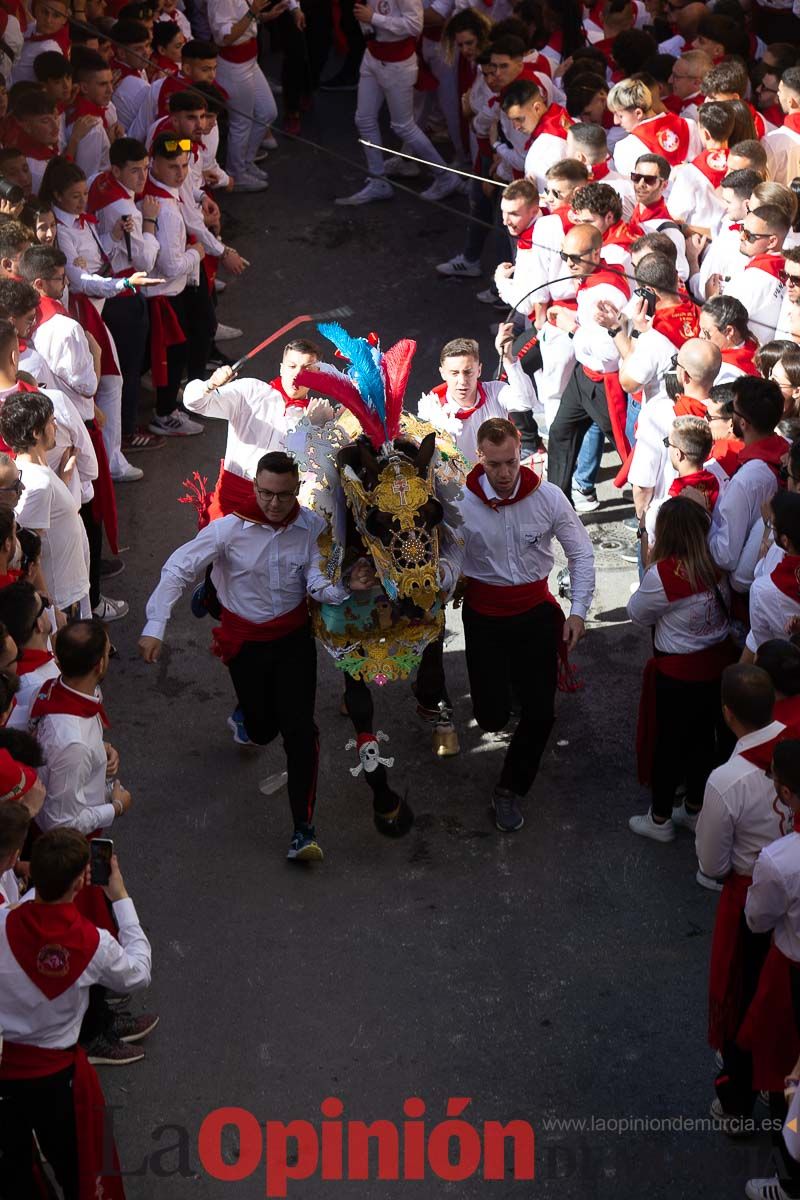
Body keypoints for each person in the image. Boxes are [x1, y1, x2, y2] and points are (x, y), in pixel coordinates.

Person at [139, 451, 377, 861]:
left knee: (300, 732)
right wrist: (154, 626)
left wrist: (346, 586)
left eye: (283, 496)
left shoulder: (312, 528)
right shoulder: (228, 530)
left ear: (296, 490)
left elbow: (318, 582)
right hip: (244, 642)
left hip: (291, 640)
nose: (273, 504)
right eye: (265, 493)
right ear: (255, 488)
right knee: (263, 729)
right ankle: (214, 590)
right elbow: (178, 567)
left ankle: (303, 830)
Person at [441, 418, 595, 833]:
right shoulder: (459, 503)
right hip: (485, 618)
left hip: (534, 616)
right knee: (490, 718)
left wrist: (578, 611)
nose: (505, 473)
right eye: (495, 465)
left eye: (511, 462)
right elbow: (453, 559)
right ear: (480, 459)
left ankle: (510, 789)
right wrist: (436, 580)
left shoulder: (548, 496)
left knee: (541, 713)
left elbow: (580, 553)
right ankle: (506, 693)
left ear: (520, 454)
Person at [0, 828, 151, 1198]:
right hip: (61, 1082)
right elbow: (139, 971)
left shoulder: (2, 923)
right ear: (80, 883)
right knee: (80, 1173)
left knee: (18, 1175)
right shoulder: (94, 944)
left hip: (6, 1076)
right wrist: (121, 897)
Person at [628, 497, 735, 841]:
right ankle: (693, 808)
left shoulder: (663, 575)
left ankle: (659, 819)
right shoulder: (716, 564)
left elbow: (637, 612)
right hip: (715, 666)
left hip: (678, 674)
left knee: (668, 745)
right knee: (703, 742)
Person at [334, 0, 461, 206]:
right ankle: (378, 181)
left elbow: (414, 25)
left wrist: (373, 18)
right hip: (372, 55)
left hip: (397, 63)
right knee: (364, 119)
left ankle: (446, 177)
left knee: (403, 126)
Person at [182, 341, 325, 524]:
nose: (297, 374)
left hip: (276, 511)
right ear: (281, 368)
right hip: (228, 503)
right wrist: (210, 384)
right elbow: (195, 403)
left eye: (306, 368)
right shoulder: (250, 391)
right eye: (292, 366)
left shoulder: (317, 417)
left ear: (318, 374)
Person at [544, 223, 632, 499]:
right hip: (584, 377)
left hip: (604, 384)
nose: (568, 263)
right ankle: (557, 502)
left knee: (627, 450)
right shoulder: (596, 276)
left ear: (596, 254)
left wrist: (573, 328)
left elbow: (609, 352)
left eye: (575, 257)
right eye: (564, 256)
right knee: (560, 432)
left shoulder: (605, 293)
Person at [31, 618, 131, 838]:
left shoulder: (54, 688)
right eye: (108, 652)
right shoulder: (74, 744)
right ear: (100, 665)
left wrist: (98, 750)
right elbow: (61, 825)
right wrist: (115, 808)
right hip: (70, 848)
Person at [0, 391, 91, 620]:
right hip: (61, 602)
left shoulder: (37, 474)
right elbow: (30, 549)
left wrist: (62, 481)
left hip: (65, 596)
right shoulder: (39, 484)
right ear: (35, 432)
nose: (56, 427)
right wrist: (53, 612)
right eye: (51, 421)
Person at [417, 327, 537, 463]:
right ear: (442, 373)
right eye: (454, 373)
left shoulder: (495, 391)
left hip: (498, 478)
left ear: (479, 370)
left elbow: (526, 401)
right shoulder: (431, 408)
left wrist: (508, 358)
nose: (462, 381)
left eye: (468, 372)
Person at [709, 377, 786, 584]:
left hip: (746, 594)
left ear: (743, 423)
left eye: (732, 410)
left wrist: (704, 519)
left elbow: (725, 556)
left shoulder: (745, 480)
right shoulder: (788, 449)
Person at [745, 492, 800, 658]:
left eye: (772, 525)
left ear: (785, 541)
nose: (771, 529)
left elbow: (763, 646)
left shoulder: (763, 590)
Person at [0, 580, 58, 731]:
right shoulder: (34, 688)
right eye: (44, 605)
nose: (48, 607)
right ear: (39, 624)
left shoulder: (38, 652)